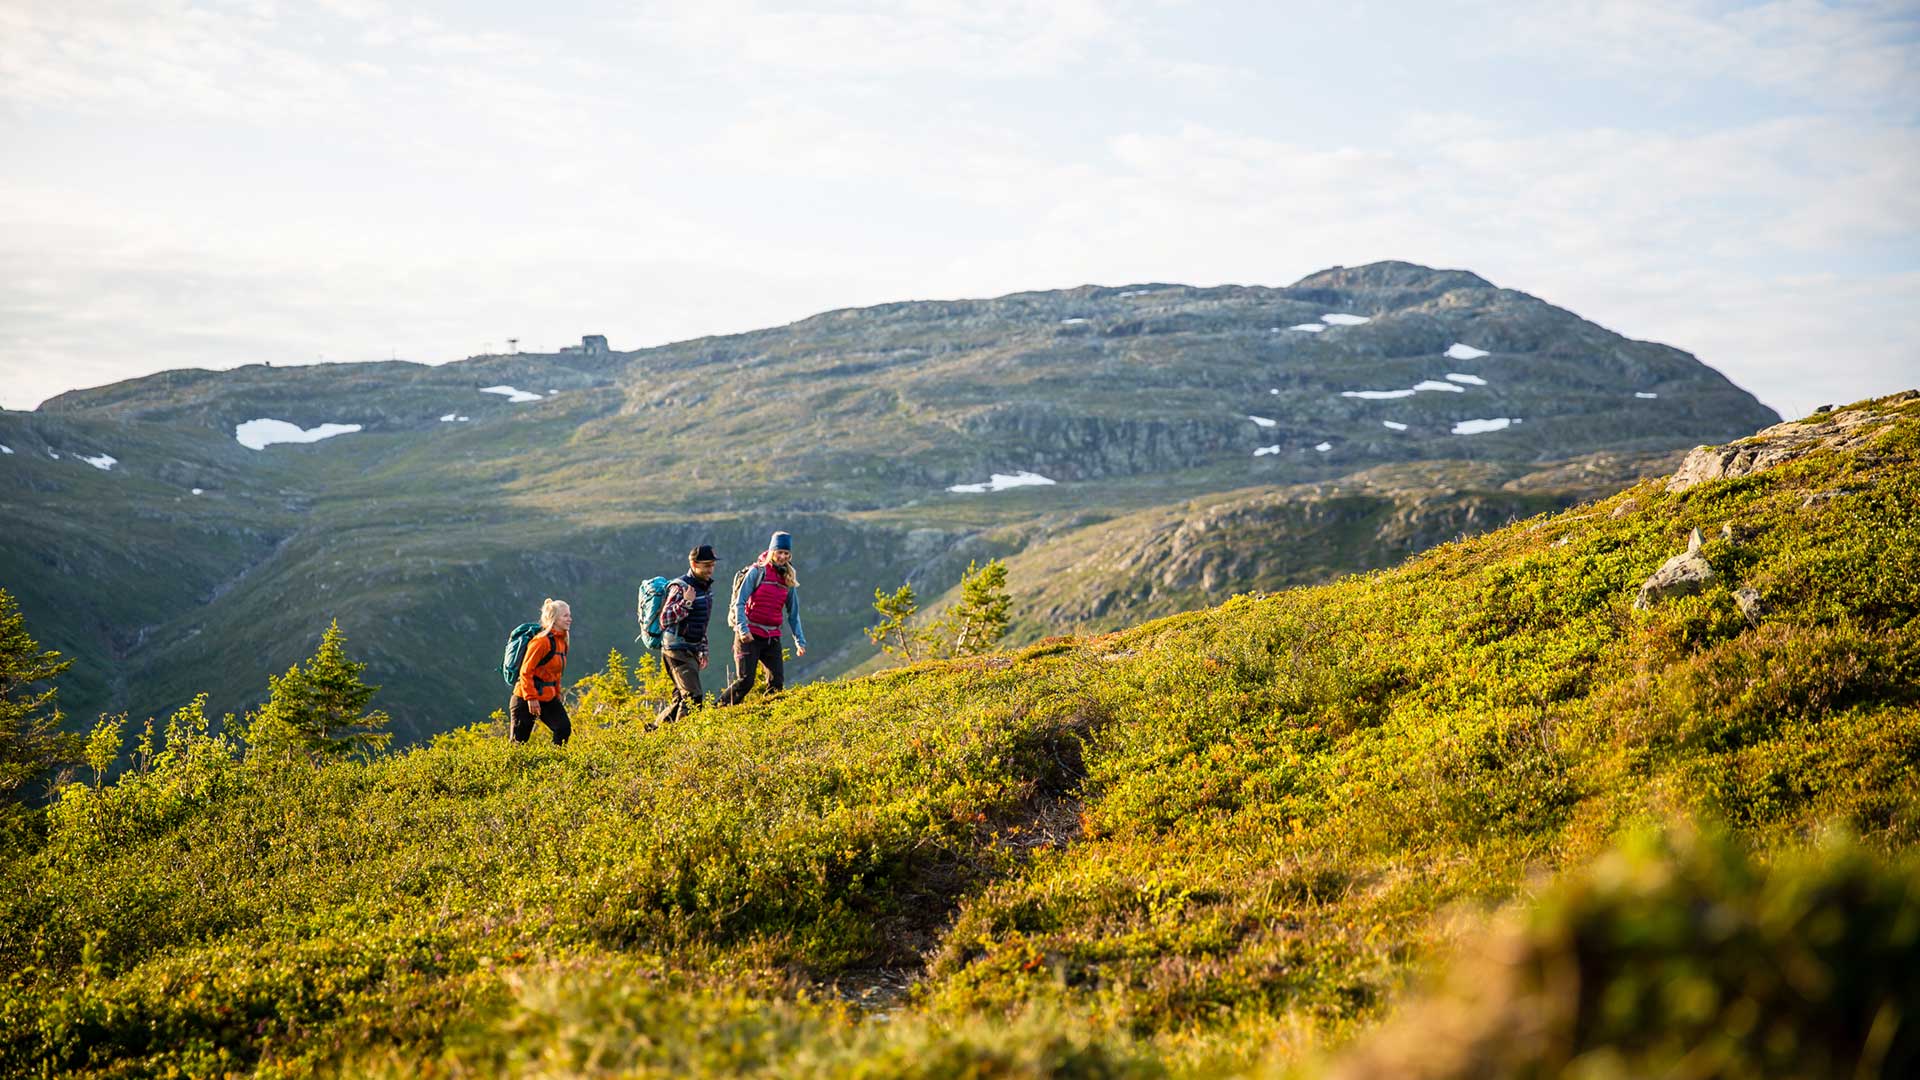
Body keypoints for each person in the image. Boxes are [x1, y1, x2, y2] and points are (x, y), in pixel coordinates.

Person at [718, 531, 807, 705]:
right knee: (745, 681)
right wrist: (743, 629)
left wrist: (800, 641)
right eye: (779, 552)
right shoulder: (757, 572)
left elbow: (793, 614)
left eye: (786, 553)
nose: (783, 557)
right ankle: (716, 711)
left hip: (772, 637)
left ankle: (768, 716)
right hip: (749, 635)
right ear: (772, 551)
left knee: (776, 683)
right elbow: (740, 602)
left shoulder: (788, 579)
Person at [653, 544, 718, 728]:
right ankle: (683, 735)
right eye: (706, 565)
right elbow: (665, 619)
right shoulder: (681, 587)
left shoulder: (705, 588)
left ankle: (656, 731)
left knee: (681, 698)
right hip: (676, 649)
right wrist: (686, 603)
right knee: (693, 696)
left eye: (712, 565)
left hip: (692, 648)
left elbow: (701, 623)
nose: (710, 569)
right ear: (694, 564)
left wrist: (703, 649)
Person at [511, 598, 571, 745]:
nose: (570, 619)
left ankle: (556, 759)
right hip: (525, 698)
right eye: (565, 616)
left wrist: (557, 694)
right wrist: (531, 698)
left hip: (547, 697)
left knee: (563, 729)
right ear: (554, 619)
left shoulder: (562, 642)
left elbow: (556, 673)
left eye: (569, 615)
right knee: (518, 744)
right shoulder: (541, 642)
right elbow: (525, 671)